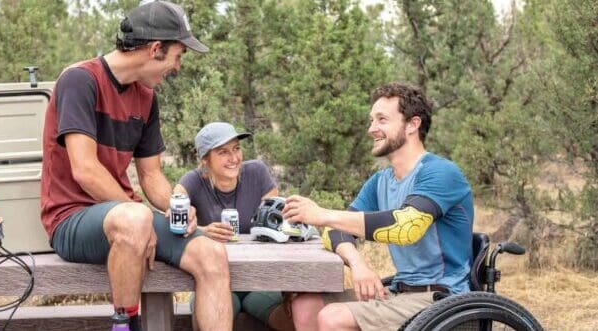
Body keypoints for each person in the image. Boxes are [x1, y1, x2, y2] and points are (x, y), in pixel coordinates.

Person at [40, 2, 232, 330]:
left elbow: (151, 174)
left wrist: (177, 206)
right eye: (178, 55)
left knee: (212, 255)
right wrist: (138, 215)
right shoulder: (80, 80)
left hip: (127, 216)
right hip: (70, 219)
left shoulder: (146, 97)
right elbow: (84, 169)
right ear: (156, 49)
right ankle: (124, 325)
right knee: (135, 218)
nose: (178, 66)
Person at [283, 82, 474, 331]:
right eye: (372, 120)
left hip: (439, 300)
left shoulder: (440, 172)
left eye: (382, 120)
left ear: (412, 125)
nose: (372, 129)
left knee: (333, 318)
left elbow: (406, 227)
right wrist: (358, 265)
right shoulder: (380, 181)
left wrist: (322, 214)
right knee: (306, 303)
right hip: (400, 291)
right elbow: (333, 231)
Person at [173, 122, 294, 330]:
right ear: (205, 160)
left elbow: (276, 226)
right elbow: (173, 220)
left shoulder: (257, 172)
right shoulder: (192, 181)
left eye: (236, 148)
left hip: (259, 280)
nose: (234, 158)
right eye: (223, 152)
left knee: (294, 315)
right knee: (209, 315)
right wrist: (203, 231)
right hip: (214, 281)